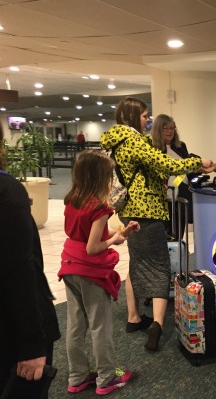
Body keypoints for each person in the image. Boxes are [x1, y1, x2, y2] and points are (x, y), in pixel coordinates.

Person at [99, 97, 215, 352]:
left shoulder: (113, 142)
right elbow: (168, 164)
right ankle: (157, 325)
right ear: (131, 116)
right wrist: (198, 162)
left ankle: (133, 317)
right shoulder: (133, 140)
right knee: (161, 265)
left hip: (128, 210)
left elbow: (146, 170)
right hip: (147, 211)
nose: (148, 120)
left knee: (138, 261)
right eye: (144, 115)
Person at [57, 150, 140, 395]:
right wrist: (114, 241)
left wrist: (118, 235)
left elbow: (81, 237)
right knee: (100, 325)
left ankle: (77, 376)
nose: (111, 179)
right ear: (98, 176)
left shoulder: (72, 199)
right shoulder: (100, 208)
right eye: (108, 174)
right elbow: (93, 247)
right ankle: (106, 377)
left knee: (75, 323)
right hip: (91, 272)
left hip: (70, 265)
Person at [0, 125, 61, 398]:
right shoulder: (8, 192)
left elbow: (20, 269)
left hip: (16, 327)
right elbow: (21, 270)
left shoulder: (7, 192)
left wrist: (32, 344)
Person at [151, 114, 200, 233]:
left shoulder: (181, 146)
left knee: (179, 232)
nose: (169, 131)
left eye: (172, 128)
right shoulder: (153, 149)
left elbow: (186, 169)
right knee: (165, 233)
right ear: (158, 130)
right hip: (163, 199)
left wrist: (197, 169)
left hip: (182, 195)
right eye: (165, 128)